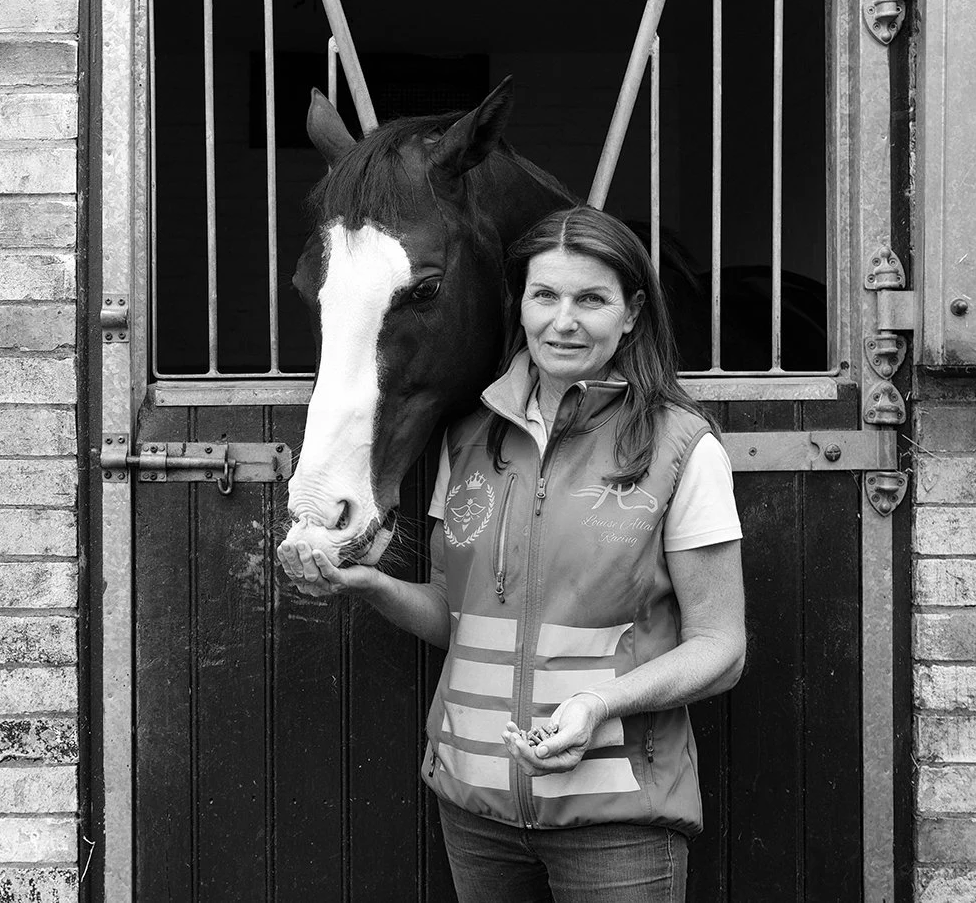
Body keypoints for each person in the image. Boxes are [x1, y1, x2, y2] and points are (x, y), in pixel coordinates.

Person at [276, 205, 746, 902]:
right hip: (475, 811)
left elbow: (720, 647)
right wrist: (368, 585)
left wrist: (599, 704)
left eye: (590, 299)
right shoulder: (467, 441)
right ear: (517, 307)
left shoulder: (680, 449)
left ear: (631, 314)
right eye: (544, 295)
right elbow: (452, 618)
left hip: (616, 820)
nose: (564, 321)